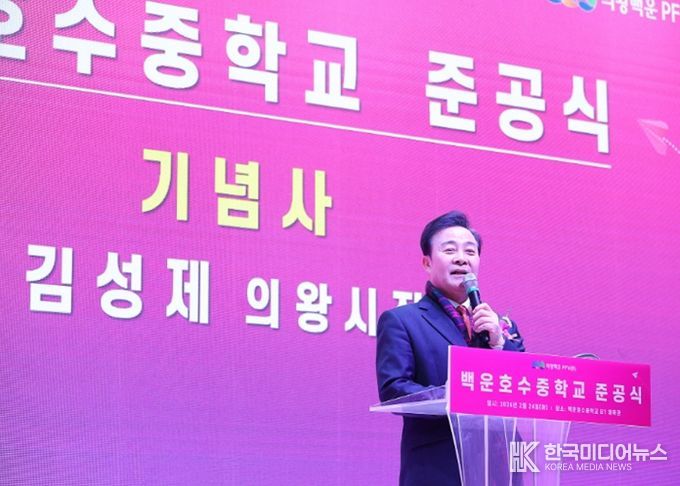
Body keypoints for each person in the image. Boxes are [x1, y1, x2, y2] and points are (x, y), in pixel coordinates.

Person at [376, 210, 525, 486]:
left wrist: (498, 344)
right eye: (449, 250)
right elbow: (393, 389)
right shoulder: (402, 321)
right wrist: (457, 395)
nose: (461, 258)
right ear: (427, 263)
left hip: (501, 466)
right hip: (439, 467)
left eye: (470, 251)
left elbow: (527, 388)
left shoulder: (500, 326)